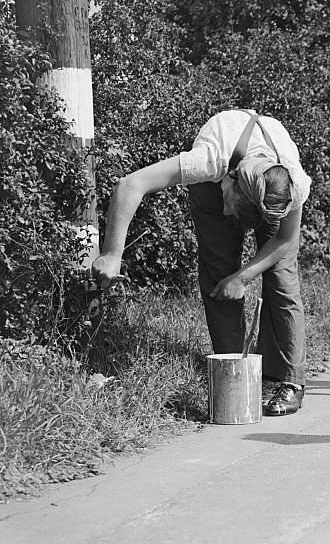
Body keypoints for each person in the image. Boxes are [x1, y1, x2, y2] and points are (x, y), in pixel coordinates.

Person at [92, 109, 312, 417]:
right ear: (231, 180)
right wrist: (113, 253)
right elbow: (131, 185)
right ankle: (232, 373)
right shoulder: (210, 159)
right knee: (218, 273)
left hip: (266, 184)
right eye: (232, 207)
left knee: (281, 276)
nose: (227, 215)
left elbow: (284, 241)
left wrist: (244, 277)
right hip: (215, 181)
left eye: (232, 211)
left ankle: (289, 381)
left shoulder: (293, 184)